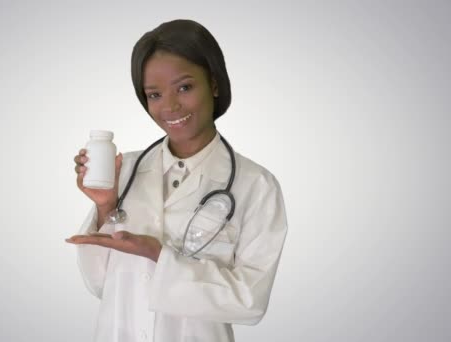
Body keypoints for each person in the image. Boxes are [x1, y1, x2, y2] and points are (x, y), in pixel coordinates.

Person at [66, 19, 288, 342]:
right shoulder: (124, 170)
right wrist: (105, 207)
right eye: (154, 94)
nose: (169, 106)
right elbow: (100, 283)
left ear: (213, 83)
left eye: (184, 87)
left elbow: (250, 302)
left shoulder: (256, 186)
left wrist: (160, 256)